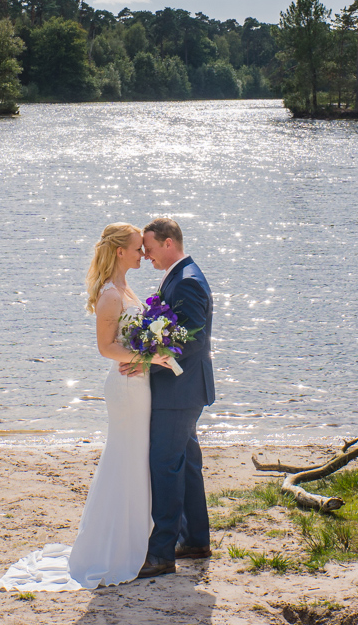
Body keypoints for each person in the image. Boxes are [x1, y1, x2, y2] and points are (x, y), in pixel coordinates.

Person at [0, 223, 174, 590]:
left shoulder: (127, 288)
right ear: (120, 252)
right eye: (137, 249)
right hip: (126, 388)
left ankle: (133, 540)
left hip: (138, 383)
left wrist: (150, 351)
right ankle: (112, 548)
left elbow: (131, 339)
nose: (143, 254)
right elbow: (106, 347)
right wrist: (149, 358)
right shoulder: (110, 295)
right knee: (125, 459)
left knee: (135, 459)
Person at [134, 216, 216, 578]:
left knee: (165, 466)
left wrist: (148, 358)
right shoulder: (180, 276)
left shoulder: (187, 282)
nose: (146, 255)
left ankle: (161, 554)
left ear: (169, 243)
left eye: (149, 248)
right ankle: (194, 540)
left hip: (179, 391)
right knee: (187, 464)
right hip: (185, 390)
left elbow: (192, 339)